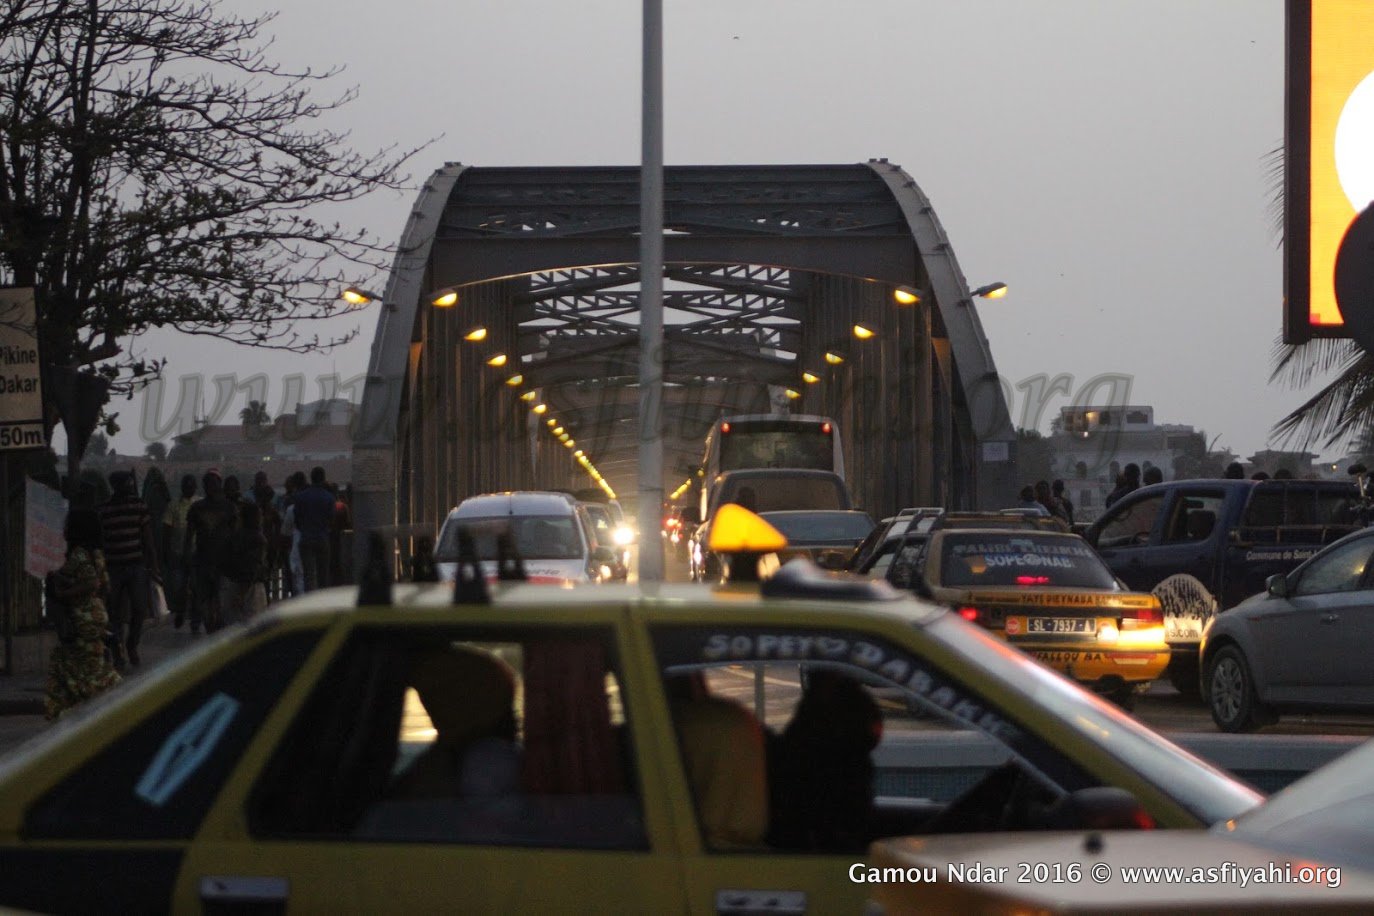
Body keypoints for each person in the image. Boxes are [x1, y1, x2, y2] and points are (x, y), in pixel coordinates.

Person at [44, 509, 121, 719]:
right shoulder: (96, 554)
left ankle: (92, 706)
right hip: (95, 614)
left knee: (79, 667)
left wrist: (64, 593)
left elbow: (91, 583)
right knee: (88, 663)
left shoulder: (78, 554)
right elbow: (104, 586)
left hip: (81, 616)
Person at [98, 471, 161, 669]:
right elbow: (100, 541)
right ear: (116, 486)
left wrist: (153, 565)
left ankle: (132, 644)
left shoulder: (139, 506)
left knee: (140, 608)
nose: (129, 487)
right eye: (125, 484)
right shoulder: (104, 509)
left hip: (136, 565)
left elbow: (147, 539)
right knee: (113, 612)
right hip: (113, 567)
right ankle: (118, 650)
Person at [184, 470, 238, 633]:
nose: (210, 487)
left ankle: (217, 633)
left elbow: (235, 534)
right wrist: (187, 557)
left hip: (224, 562)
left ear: (219, 485)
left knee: (221, 602)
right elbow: (189, 535)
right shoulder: (196, 508)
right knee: (204, 601)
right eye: (208, 483)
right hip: (202, 561)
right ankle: (211, 630)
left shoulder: (230, 507)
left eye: (213, 483)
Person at [218, 501, 269, 625]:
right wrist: (242, 594)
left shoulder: (233, 537)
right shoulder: (258, 539)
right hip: (250, 589)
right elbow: (252, 569)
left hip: (231, 585)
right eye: (259, 515)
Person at [293, 467, 336, 591]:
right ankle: (322, 602)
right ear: (323, 479)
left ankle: (310, 602)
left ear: (311, 479)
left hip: (306, 538)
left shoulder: (300, 497)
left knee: (308, 575)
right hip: (322, 538)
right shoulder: (329, 497)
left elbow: (297, 520)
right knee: (323, 574)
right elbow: (331, 520)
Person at [164, 474, 197, 628]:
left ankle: (195, 618)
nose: (189, 488)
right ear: (182, 487)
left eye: (191, 486)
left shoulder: (199, 504)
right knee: (179, 587)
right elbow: (167, 529)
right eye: (186, 486)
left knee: (196, 587)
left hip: (196, 553)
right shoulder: (173, 506)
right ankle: (181, 611)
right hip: (177, 553)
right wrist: (167, 551)